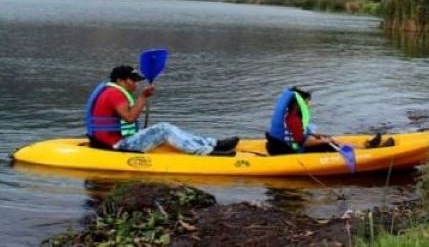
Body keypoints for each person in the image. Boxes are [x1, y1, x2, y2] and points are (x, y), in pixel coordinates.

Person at [86, 65, 240, 155]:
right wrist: (143, 97)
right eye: (132, 81)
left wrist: (142, 97)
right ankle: (206, 151)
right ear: (120, 81)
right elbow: (129, 118)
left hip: (108, 141)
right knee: (164, 128)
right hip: (116, 145)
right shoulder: (114, 93)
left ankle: (213, 144)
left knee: (165, 127)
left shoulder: (110, 91)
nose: (135, 84)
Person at [265, 87, 393, 156]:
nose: (309, 105)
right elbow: (300, 141)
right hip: (294, 151)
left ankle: (366, 146)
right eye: (307, 102)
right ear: (298, 105)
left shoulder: (294, 117)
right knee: (327, 143)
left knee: (328, 139)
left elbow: (300, 135)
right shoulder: (293, 119)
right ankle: (367, 152)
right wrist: (323, 141)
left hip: (295, 145)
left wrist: (317, 135)